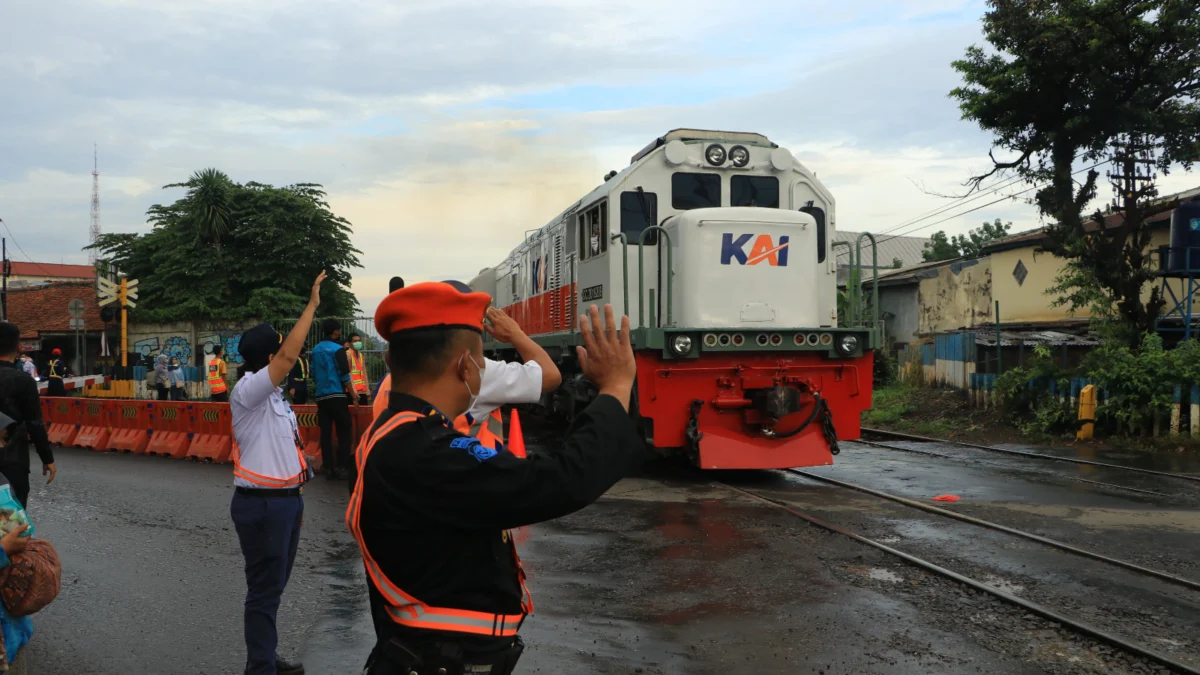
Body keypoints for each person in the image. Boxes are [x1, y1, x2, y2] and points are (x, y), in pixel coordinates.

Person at [348, 283, 646, 675]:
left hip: (422, 653)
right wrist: (616, 386)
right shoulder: (425, 450)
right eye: (482, 362)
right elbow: (562, 481)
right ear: (465, 368)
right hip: (436, 660)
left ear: (389, 357)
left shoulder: (398, 433)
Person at [229, 271, 325, 675]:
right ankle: (261, 668)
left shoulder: (274, 398)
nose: (289, 355)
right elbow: (288, 358)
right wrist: (311, 306)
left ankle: (264, 657)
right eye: (280, 351)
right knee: (264, 591)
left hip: (286, 503)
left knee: (272, 589)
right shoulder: (248, 389)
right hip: (263, 506)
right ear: (270, 359)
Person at [371, 290, 563, 444]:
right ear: (465, 365)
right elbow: (550, 376)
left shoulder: (388, 384)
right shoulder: (480, 372)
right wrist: (516, 334)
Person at [0, 323, 56, 509]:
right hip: (13, 462)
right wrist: (47, 458)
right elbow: (35, 423)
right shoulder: (23, 381)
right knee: (12, 523)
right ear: (19, 347)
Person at [312, 320, 354, 481]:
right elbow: (344, 374)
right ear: (336, 332)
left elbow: (314, 373)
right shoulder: (338, 350)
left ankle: (329, 466)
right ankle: (343, 466)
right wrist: (354, 394)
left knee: (326, 432)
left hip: (321, 397)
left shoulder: (315, 350)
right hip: (337, 395)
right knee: (344, 430)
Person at [347, 333, 370, 406]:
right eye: (355, 341)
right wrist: (353, 390)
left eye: (359, 341)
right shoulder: (348, 354)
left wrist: (367, 389)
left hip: (362, 391)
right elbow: (348, 373)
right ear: (349, 343)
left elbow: (364, 372)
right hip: (352, 393)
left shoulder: (360, 355)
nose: (358, 343)